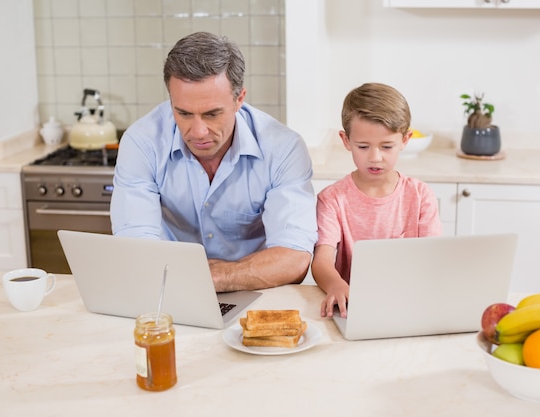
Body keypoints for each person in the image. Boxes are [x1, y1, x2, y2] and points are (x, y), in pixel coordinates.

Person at [110, 32, 317, 292]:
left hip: (256, 292)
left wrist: (220, 277)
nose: (197, 132)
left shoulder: (283, 148)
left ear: (239, 99)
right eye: (183, 113)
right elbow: (135, 246)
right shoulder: (142, 142)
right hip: (168, 289)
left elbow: (294, 257)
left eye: (212, 114)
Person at [311, 82, 442, 318]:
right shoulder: (332, 199)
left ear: (405, 140)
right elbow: (321, 261)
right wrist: (335, 285)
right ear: (346, 140)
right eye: (363, 146)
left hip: (410, 305)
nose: (375, 157)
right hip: (352, 310)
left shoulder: (421, 196)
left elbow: (434, 258)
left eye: (387, 146)